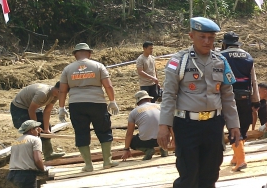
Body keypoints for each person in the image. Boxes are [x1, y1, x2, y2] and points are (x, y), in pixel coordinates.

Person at [158, 16, 241, 188]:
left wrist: (233, 125)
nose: (207, 41)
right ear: (191, 36)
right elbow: (169, 95)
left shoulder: (220, 61)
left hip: (213, 124)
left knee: (211, 168)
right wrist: (164, 125)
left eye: (211, 37)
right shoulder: (179, 61)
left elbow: (227, 95)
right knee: (188, 170)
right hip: (187, 124)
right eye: (202, 37)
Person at [58, 43, 120, 172]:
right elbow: (108, 86)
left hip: (76, 104)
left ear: (75, 55)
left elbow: (62, 91)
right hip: (97, 103)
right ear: (89, 54)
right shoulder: (98, 66)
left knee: (81, 133)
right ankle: (107, 161)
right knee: (104, 130)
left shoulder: (68, 69)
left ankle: (88, 165)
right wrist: (112, 101)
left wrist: (61, 107)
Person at [220, 32, 260, 171]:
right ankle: (236, 156)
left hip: (228, 97)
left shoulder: (221, 56)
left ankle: (241, 160)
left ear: (224, 43)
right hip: (245, 96)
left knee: (232, 126)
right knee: (242, 126)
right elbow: (253, 80)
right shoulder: (248, 56)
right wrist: (256, 100)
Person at [11, 82, 65, 160]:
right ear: (59, 91)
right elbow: (31, 110)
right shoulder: (43, 93)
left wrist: (46, 129)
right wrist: (35, 127)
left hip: (31, 107)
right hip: (19, 108)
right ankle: (28, 158)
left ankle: (48, 154)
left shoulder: (55, 95)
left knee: (45, 126)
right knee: (30, 130)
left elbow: (47, 111)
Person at [7, 120, 46, 188]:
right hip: (25, 175)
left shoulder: (16, 141)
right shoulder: (35, 140)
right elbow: (37, 159)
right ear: (31, 130)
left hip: (13, 174)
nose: (38, 130)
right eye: (36, 129)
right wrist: (43, 169)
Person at [122, 90, 166, 161]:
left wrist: (126, 149)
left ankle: (147, 149)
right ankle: (164, 147)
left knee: (132, 140)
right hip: (162, 138)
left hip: (146, 142)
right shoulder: (159, 106)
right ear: (149, 99)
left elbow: (129, 133)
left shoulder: (133, 112)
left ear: (138, 102)